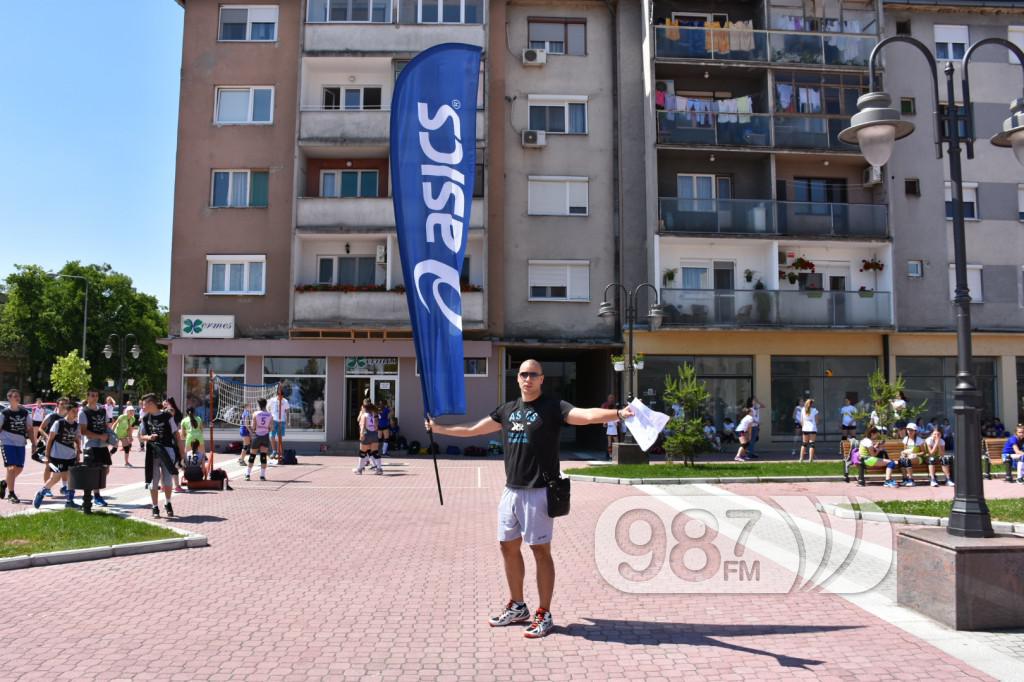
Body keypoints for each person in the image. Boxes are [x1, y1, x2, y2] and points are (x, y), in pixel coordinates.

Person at [427, 359, 633, 639]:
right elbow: (474, 429)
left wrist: (619, 413)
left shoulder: (553, 407)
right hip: (511, 490)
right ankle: (517, 606)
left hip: (538, 490)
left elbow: (585, 415)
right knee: (507, 546)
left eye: (533, 375)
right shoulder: (507, 409)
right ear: (518, 378)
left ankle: (544, 613)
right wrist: (439, 429)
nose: (527, 379)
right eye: (523, 374)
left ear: (542, 379)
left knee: (540, 551)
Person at [139, 394, 182, 517]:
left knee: (167, 480)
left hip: (167, 451)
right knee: (153, 480)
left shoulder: (167, 416)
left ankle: (168, 503)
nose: (142, 407)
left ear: (151, 403)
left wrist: (182, 454)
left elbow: (177, 436)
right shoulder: (145, 418)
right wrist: (148, 437)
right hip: (152, 452)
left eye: (144, 404)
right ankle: (155, 506)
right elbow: (141, 436)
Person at [33, 401, 82, 509]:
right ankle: (41, 493)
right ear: (68, 411)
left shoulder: (76, 426)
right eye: (73, 411)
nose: (75, 413)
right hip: (57, 455)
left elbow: (77, 439)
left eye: (76, 411)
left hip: (70, 455)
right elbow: (50, 439)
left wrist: (78, 452)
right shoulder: (59, 423)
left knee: (71, 478)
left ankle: (69, 502)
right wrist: (47, 454)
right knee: (56, 478)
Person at [79, 388, 113, 508]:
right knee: (94, 471)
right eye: (92, 395)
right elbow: (83, 431)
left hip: (103, 444)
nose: (94, 397)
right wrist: (99, 436)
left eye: (96, 395)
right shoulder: (83, 412)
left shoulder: (102, 410)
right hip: (91, 445)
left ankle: (94, 493)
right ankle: (96, 496)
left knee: (105, 469)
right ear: (87, 397)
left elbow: (105, 425)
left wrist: (111, 437)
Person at [1, 389, 36, 504]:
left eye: (18, 396)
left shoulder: (25, 413)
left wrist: (34, 444)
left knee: (19, 469)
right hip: (7, 443)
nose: (17, 398)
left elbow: (30, 429)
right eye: (14, 396)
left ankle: (4, 483)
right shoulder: (4, 413)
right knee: (11, 468)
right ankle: (11, 493)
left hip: (20, 443)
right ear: (9, 398)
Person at [163, 397, 185, 493]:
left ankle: (163, 486)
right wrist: (182, 452)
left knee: (163, 467)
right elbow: (178, 438)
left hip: (163, 446)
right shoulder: (173, 424)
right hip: (171, 446)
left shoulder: (161, 423)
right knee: (174, 466)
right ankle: (176, 486)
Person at [247, 398, 273, 481]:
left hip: (257, 436)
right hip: (265, 436)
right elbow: (271, 428)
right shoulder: (270, 415)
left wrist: (253, 430)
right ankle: (262, 475)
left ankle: (247, 474)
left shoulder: (255, 414)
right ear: (265, 405)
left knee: (252, 455)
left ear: (259, 405)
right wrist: (265, 429)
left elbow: (253, 426)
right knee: (263, 456)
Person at [354, 399, 382, 475]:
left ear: (364, 406)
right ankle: (379, 469)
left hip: (366, 433)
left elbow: (362, 425)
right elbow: (376, 425)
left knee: (362, 452)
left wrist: (361, 434)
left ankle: (359, 469)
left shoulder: (364, 414)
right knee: (375, 452)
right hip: (374, 434)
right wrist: (377, 432)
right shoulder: (375, 413)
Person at [898, 423, 925, 487]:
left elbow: (923, 452)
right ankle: (905, 479)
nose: (909, 432)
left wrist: (915, 454)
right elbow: (905, 451)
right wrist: (903, 454)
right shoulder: (905, 439)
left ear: (915, 431)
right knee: (901, 460)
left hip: (919, 458)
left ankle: (911, 480)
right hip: (909, 457)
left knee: (907, 460)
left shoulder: (919, 440)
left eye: (911, 430)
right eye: (908, 430)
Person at [266, 389, 290, 462]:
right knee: (271, 436)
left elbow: (287, 411)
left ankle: (280, 453)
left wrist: (288, 421)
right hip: (273, 420)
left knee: (280, 437)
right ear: (277, 395)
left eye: (282, 396)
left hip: (281, 420)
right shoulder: (272, 400)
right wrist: (270, 414)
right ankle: (274, 451)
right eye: (279, 396)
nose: (280, 398)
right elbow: (267, 407)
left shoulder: (285, 401)